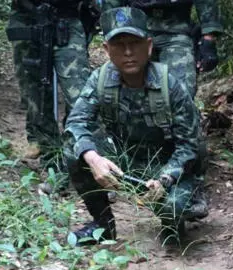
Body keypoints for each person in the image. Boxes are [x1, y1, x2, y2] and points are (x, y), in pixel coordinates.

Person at [64, 6, 204, 245]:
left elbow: (190, 146)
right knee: (73, 151)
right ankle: (103, 225)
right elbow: (76, 123)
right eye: (119, 45)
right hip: (124, 161)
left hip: (164, 165)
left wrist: (164, 179)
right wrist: (94, 159)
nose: (128, 52)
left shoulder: (170, 84)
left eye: (135, 43)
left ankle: (173, 222)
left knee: (174, 209)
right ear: (107, 50)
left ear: (149, 46)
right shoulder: (100, 79)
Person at [7, 0, 95, 162]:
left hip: (67, 17)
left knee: (79, 93)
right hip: (27, 17)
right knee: (34, 91)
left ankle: (77, 146)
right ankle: (48, 149)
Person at [97, 0, 223, 96]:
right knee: (129, 92)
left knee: (182, 91)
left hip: (177, 31)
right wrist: (113, 35)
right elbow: (112, 5)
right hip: (136, 33)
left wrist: (208, 37)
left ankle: (180, 127)